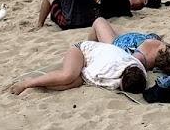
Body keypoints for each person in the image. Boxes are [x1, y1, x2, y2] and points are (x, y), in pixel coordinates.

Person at [10, 40, 148, 95]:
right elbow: (86, 74)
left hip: (93, 61)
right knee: (68, 76)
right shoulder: (107, 68)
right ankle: (28, 83)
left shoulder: (138, 69)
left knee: (74, 83)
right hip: (81, 50)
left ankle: (40, 87)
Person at [87, 18, 170, 75]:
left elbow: (128, 64)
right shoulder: (158, 52)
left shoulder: (143, 56)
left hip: (116, 44)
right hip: (127, 39)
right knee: (109, 25)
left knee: (99, 21)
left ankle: (89, 50)